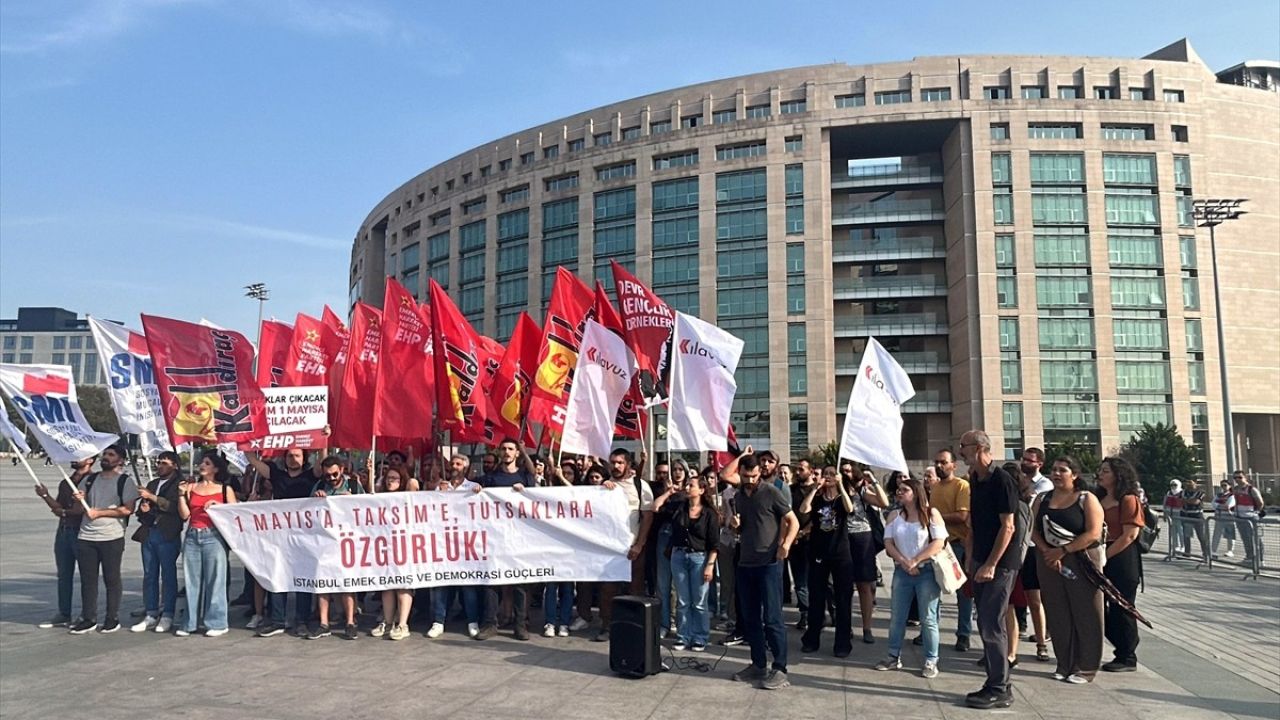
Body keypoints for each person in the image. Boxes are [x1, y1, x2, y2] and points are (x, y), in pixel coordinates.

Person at [720, 450, 799, 691]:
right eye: (747, 476)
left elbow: (792, 521)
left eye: (755, 475)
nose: (751, 480)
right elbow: (725, 474)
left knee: (772, 618)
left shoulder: (771, 492)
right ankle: (758, 664)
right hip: (745, 562)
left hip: (768, 564)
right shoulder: (739, 497)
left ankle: (780, 668)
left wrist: (785, 544)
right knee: (751, 617)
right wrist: (735, 527)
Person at [959, 430, 1021, 710]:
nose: (961, 451)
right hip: (981, 561)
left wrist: (992, 564)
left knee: (992, 623)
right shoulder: (976, 478)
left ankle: (999, 687)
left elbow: (1008, 526)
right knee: (984, 622)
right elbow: (974, 524)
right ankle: (996, 682)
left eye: (965, 446)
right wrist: (972, 558)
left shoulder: (1001, 480)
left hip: (1000, 564)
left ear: (981, 448)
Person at [1032, 456, 1105, 684]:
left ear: (1074, 475)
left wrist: (1063, 550)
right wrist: (1047, 552)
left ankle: (1086, 666)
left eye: (1062, 470)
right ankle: (1065, 663)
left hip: (1080, 560)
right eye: (1053, 470)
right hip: (1048, 560)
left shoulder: (1086, 499)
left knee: (1086, 612)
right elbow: (1033, 530)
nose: (1056, 473)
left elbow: (1093, 533)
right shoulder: (1042, 499)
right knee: (1057, 612)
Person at [876, 473, 948, 678]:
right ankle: (892, 656)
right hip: (902, 572)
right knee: (897, 617)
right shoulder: (894, 516)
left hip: (925, 571)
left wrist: (916, 560)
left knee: (928, 618)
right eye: (898, 490)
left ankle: (931, 660)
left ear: (916, 493)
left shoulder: (931, 513)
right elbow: (888, 543)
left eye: (904, 490)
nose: (899, 492)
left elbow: (939, 542)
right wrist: (904, 561)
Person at [248, 448, 323, 638]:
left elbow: (322, 460)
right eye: (290, 455)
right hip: (280, 536)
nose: (293, 459)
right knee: (277, 575)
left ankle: (302, 621)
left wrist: (323, 442)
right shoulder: (276, 475)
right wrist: (244, 443)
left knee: (302, 578)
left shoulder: (310, 476)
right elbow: (254, 462)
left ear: (304, 458)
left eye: (297, 455)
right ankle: (277, 621)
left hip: (304, 536)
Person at [68, 445, 139, 635]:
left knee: (112, 579)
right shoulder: (90, 479)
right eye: (104, 454)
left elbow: (127, 509)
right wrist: (78, 498)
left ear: (120, 460)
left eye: (111, 455)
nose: (105, 458)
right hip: (86, 535)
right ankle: (89, 618)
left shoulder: (125, 481)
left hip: (112, 536)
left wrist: (100, 513)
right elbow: (81, 504)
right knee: (88, 580)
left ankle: (111, 618)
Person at [476, 438, 538, 641]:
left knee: (519, 582)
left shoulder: (525, 477)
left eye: (511, 449)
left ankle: (520, 625)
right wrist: (477, 491)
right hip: (495, 537)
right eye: (503, 449)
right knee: (491, 581)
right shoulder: (490, 478)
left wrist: (524, 493)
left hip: (519, 538)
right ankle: (489, 624)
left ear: (517, 453)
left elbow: (535, 495)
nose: (506, 452)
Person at [654, 469, 721, 651]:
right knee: (683, 600)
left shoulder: (709, 513)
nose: (687, 487)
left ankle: (700, 636)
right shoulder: (679, 507)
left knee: (699, 601)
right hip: (678, 556)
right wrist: (669, 492)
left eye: (691, 485)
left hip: (699, 558)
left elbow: (714, 543)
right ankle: (684, 636)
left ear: (701, 490)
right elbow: (656, 506)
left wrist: (709, 565)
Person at [593, 448, 654, 643]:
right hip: (609, 549)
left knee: (635, 589)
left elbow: (647, 517)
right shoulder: (604, 486)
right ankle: (607, 626)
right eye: (613, 462)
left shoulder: (640, 485)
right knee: (607, 589)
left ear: (628, 464)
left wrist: (639, 544)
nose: (616, 466)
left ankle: (634, 626)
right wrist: (601, 489)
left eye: (620, 462)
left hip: (633, 547)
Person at [175, 452, 237, 637]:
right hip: (193, 535)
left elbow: (234, 513)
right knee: (191, 580)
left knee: (215, 580)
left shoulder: (225, 489)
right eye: (202, 462)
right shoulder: (191, 487)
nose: (202, 465)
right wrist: (180, 495)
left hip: (214, 536)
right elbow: (185, 515)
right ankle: (190, 622)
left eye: (207, 463)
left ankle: (217, 623)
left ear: (216, 469)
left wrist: (218, 505)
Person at [798, 466, 854, 657]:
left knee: (843, 598)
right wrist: (815, 488)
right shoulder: (818, 498)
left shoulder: (841, 499)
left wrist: (841, 486)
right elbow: (804, 510)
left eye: (832, 474)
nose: (828, 477)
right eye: (825, 474)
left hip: (840, 553)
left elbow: (850, 508)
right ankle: (812, 639)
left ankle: (843, 642)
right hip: (818, 552)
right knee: (816, 597)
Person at [1096, 456, 1145, 672]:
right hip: (1099, 553)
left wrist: (1105, 555)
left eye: (1106, 471)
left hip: (1121, 557)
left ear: (1118, 475)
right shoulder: (1098, 498)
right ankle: (1119, 644)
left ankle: (1127, 655)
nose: (1101, 474)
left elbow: (1130, 534)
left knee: (1122, 606)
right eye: (1101, 470)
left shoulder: (1128, 499)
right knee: (1099, 606)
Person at [34, 456, 94, 628]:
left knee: (86, 576)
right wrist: (45, 495)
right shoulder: (66, 482)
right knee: (64, 575)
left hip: (82, 533)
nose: (75, 459)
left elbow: (80, 510)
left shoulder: (93, 481)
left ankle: (86, 614)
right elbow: (58, 507)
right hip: (63, 532)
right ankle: (64, 613)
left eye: (80, 457)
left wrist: (65, 512)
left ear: (91, 460)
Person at [308, 456, 364, 640]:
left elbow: (366, 509)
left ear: (342, 469)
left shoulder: (354, 485)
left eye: (334, 474)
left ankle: (350, 621)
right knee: (323, 582)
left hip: (347, 541)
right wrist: (316, 500)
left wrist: (353, 499)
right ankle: (324, 623)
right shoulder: (319, 486)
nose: (331, 478)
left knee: (347, 583)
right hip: (325, 542)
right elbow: (307, 512)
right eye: (327, 475)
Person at [130, 451, 185, 633]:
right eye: (159, 462)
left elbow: (173, 507)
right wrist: (144, 509)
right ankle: (151, 611)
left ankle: (168, 613)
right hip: (149, 532)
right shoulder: (153, 483)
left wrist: (152, 498)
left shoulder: (179, 484)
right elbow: (141, 509)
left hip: (167, 534)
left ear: (174, 465)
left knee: (168, 576)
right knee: (149, 574)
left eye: (164, 463)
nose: (159, 465)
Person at [840, 460, 890, 644]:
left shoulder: (862, 491)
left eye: (849, 471)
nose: (846, 474)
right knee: (844, 585)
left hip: (863, 537)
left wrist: (874, 482)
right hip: (844, 537)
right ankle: (845, 625)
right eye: (843, 471)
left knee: (864, 585)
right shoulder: (838, 490)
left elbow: (884, 503)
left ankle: (867, 627)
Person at [931, 448, 973, 652]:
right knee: (933, 590)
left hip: (958, 544)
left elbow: (962, 516)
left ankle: (963, 634)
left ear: (953, 465)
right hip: (938, 545)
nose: (939, 465)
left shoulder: (961, 485)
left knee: (963, 594)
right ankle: (931, 630)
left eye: (943, 462)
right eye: (937, 462)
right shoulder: (935, 487)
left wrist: (935, 517)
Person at [371, 466, 418, 640]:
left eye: (396, 478)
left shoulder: (407, 497)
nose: (391, 481)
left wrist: (408, 480)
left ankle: (403, 624)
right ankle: (388, 621)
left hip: (405, 545)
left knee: (403, 584)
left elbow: (413, 484)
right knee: (388, 585)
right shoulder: (381, 497)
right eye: (389, 478)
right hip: (385, 546)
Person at [1018, 448, 1052, 661]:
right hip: (1018, 545)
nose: (1025, 463)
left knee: (1035, 596)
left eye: (1029, 460)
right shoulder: (1018, 482)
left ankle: (1043, 639)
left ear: (1039, 463)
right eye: (1023, 459)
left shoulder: (1044, 485)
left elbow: (1033, 512)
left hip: (1032, 547)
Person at [787, 459, 816, 631]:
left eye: (802, 469)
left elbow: (818, 516)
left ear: (811, 471)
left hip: (811, 542)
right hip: (795, 542)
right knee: (799, 582)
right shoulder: (791, 491)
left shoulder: (817, 491)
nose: (798, 472)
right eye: (797, 469)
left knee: (814, 581)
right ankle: (805, 613)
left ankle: (817, 612)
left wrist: (804, 531)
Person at [1231, 473, 1265, 567]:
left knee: (1256, 539)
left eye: (1240, 477)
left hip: (1250, 517)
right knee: (1246, 539)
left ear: (1245, 478)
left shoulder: (1251, 489)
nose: (1237, 479)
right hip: (1239, 517)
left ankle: (1260, 559)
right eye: (1235, 478)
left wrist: (1256, 512)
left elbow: (1260, 502)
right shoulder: (1236, 489)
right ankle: (1249, 558)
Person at [1179, 479, 1209, 560]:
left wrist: (1185, 501)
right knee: (1186, 535)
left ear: (1195, 483)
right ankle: (1187, 552)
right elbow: (1179, 501)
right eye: (1187, 482)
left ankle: (1206, 553)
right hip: (1186, 515)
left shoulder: (1200, 492)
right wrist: (1188, 501)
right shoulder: (1183, 492)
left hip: (1197, 516)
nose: (1188, 484)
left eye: (1190, 482)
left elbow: (1196, 502)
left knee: (1201, 536)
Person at [1211, 478, 1237, 559]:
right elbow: (1213, 503)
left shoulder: (1232, 495)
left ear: (1229, 486)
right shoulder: (1219, 495)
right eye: (1222, 485)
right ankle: (1213, 550)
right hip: (1219, 516)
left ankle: (1230, 550)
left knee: (1230, 534)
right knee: (1216, 534)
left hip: (1228, 517)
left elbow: (1229, 505)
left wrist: (1219, 505)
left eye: (1225, 485)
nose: (1223, 487)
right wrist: (1219, 506)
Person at [1163, 479, 1185, 558]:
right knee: (1173, 532)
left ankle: (1183, 546)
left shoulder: (1182, 493)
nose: (1173, 487)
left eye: (1175, 485)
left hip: (1179, 514)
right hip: (1170, 514)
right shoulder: (1169, 493)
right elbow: (1165, 503)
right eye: (1172, 485)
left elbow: (1183, 503)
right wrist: (1165, 513)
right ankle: (1175, 546)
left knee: (1181, 531)